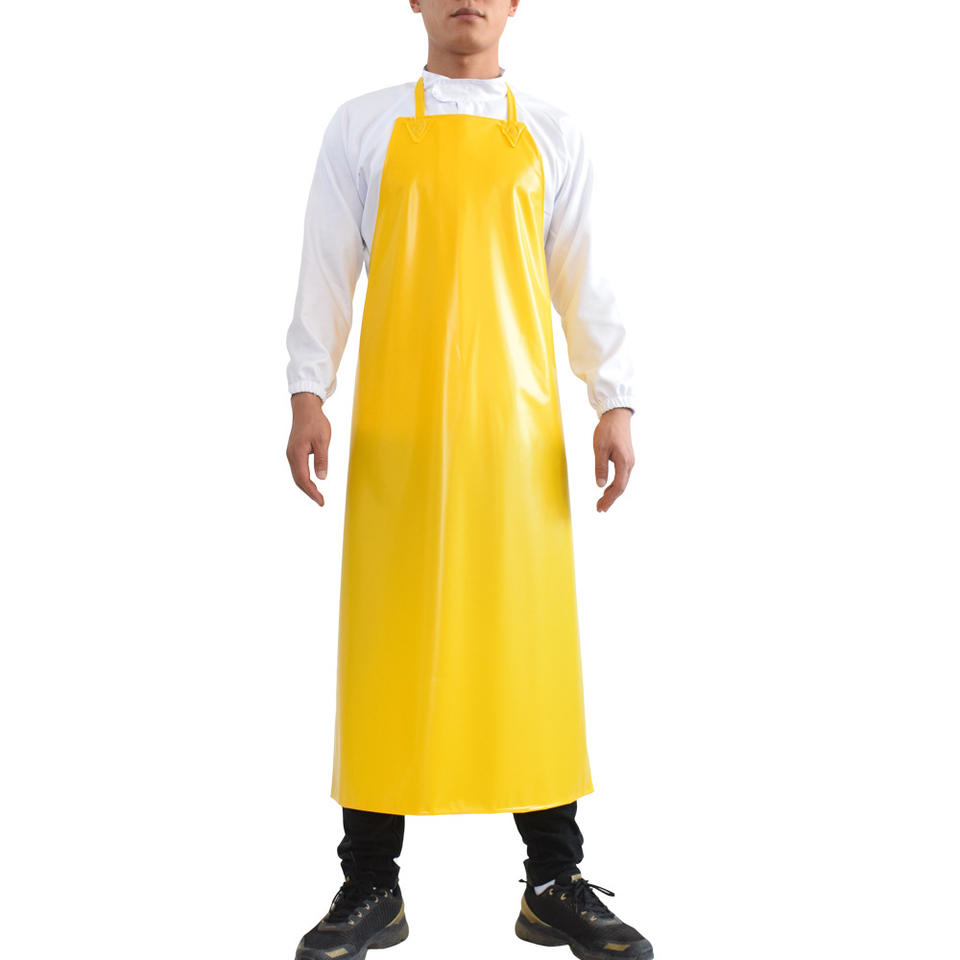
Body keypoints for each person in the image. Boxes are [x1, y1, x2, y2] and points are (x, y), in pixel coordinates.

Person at [284, 3, 652, 959]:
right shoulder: (363, 126)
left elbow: (584, 275)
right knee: (388, 638)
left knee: (528, 638)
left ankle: (554, 879)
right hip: (399, 434)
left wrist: (613, 399)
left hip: (514, 433)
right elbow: (326, 267)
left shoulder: (554, 134)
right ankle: (370, 883)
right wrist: (307, 390)